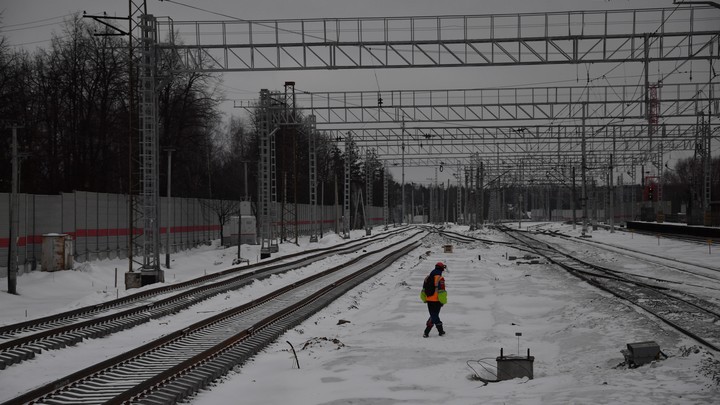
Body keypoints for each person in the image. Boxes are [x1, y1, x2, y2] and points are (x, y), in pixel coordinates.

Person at [422, 262, 447, 338]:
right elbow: (442, 291)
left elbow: (423, 289)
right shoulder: (440, 278)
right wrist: (443, 301)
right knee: (434, 316)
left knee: (433, 315)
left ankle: (437, 332)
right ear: (441, 269)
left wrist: (424, 299)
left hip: (429, 300)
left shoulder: (427, 278)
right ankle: (428, 332)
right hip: (437, 300)